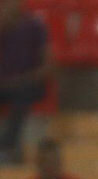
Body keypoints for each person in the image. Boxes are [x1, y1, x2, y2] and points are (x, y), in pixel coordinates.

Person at [0, 0, 54, 163]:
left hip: (28, 84)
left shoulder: (35, 26)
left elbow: (48, 64)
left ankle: (7, 145)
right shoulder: (3, 26)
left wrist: (26, 78)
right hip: (4, 84)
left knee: (22, 95)